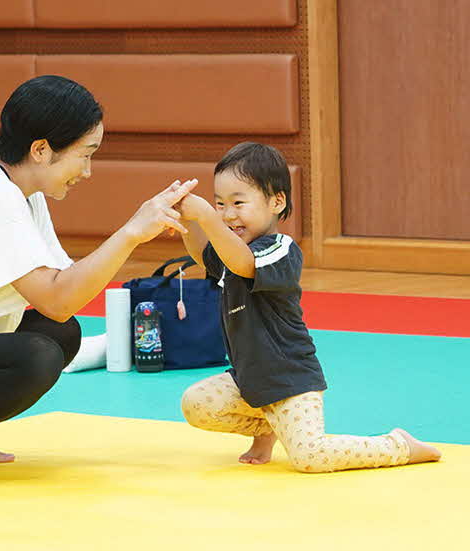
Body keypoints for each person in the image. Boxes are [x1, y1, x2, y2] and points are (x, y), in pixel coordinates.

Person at [0, 75, 196, 489]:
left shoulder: (18, 190)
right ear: (41, 150)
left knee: (60, 334)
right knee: (38, 355)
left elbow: (64, 290)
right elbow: (56, 298)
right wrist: (131, 233)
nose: (87, 171)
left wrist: (134, 231)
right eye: (84, 155)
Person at [176, 142, 441, 472]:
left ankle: (398, 446)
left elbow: (243, 263)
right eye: (219, 205)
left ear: (277, 202)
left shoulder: (280, 249)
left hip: (291, 382)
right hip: (250, 381)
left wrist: (205, 216)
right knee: (196, 404)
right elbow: (206, 255)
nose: (228, 214)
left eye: (238, 203)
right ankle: (267, 428)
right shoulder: (232, 250)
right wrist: (184, 221)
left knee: (309, 457)